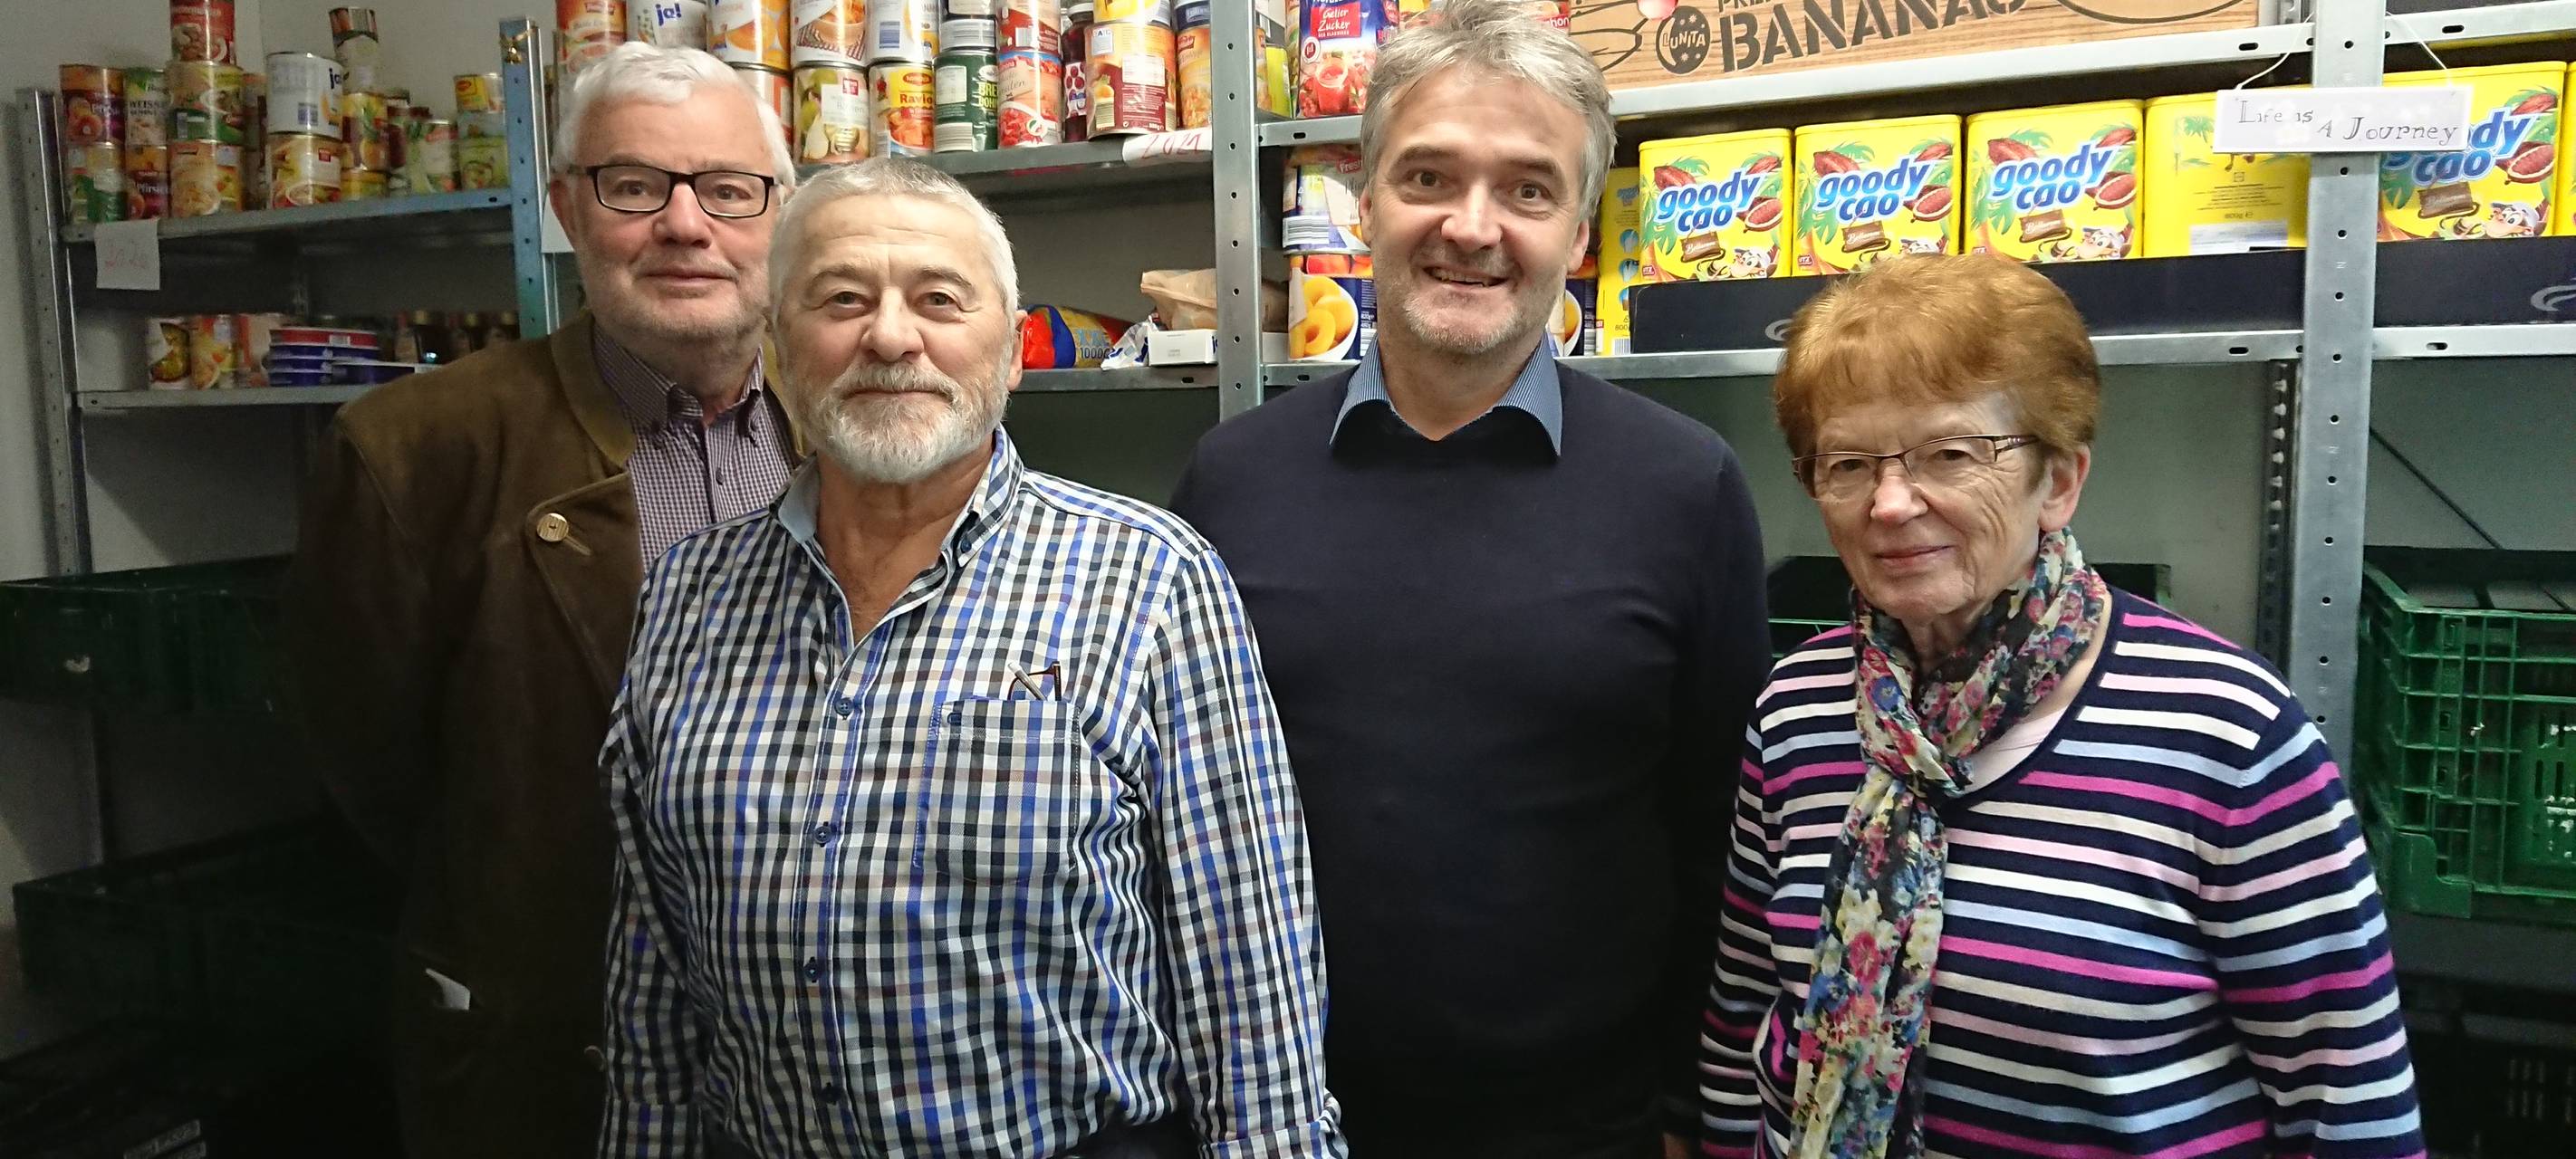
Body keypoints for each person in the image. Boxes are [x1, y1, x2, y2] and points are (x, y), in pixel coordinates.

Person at [595, 158, 1345, 1159]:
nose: (893, 337)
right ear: (778, 348)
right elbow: (650, 969)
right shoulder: (690, 593)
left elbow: (1249, 961)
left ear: (1012, 348)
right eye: (842, 299)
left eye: (939, 299)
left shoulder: (1148, 578)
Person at [1169, 2, 1773, 1154]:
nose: (1472, 226)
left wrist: (1694, 1110)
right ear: (1364, 202)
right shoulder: (1231, 478)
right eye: (1428, 176)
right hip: (1280, 1118)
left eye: (1529, 189)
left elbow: (1723, 841)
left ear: (1582, 232)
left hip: (1587, 1126)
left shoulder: (1683, 486)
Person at [1697, 254, 2425, 1159]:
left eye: (1951, 453)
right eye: (1849, 462)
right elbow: (1742, 1011)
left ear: (2060, 481)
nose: (1889, 502)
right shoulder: (1799, 706)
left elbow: (2347, 1103)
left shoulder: (2226, 734)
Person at [284, 43, 799, 1158]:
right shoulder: (414, 450)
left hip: (808, 1055)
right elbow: (370, 768)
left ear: (778, 214)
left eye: (726, 187)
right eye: (633, 185)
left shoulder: (850, 430)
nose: (683, 223)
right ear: (567, 207)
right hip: (551, 1048)